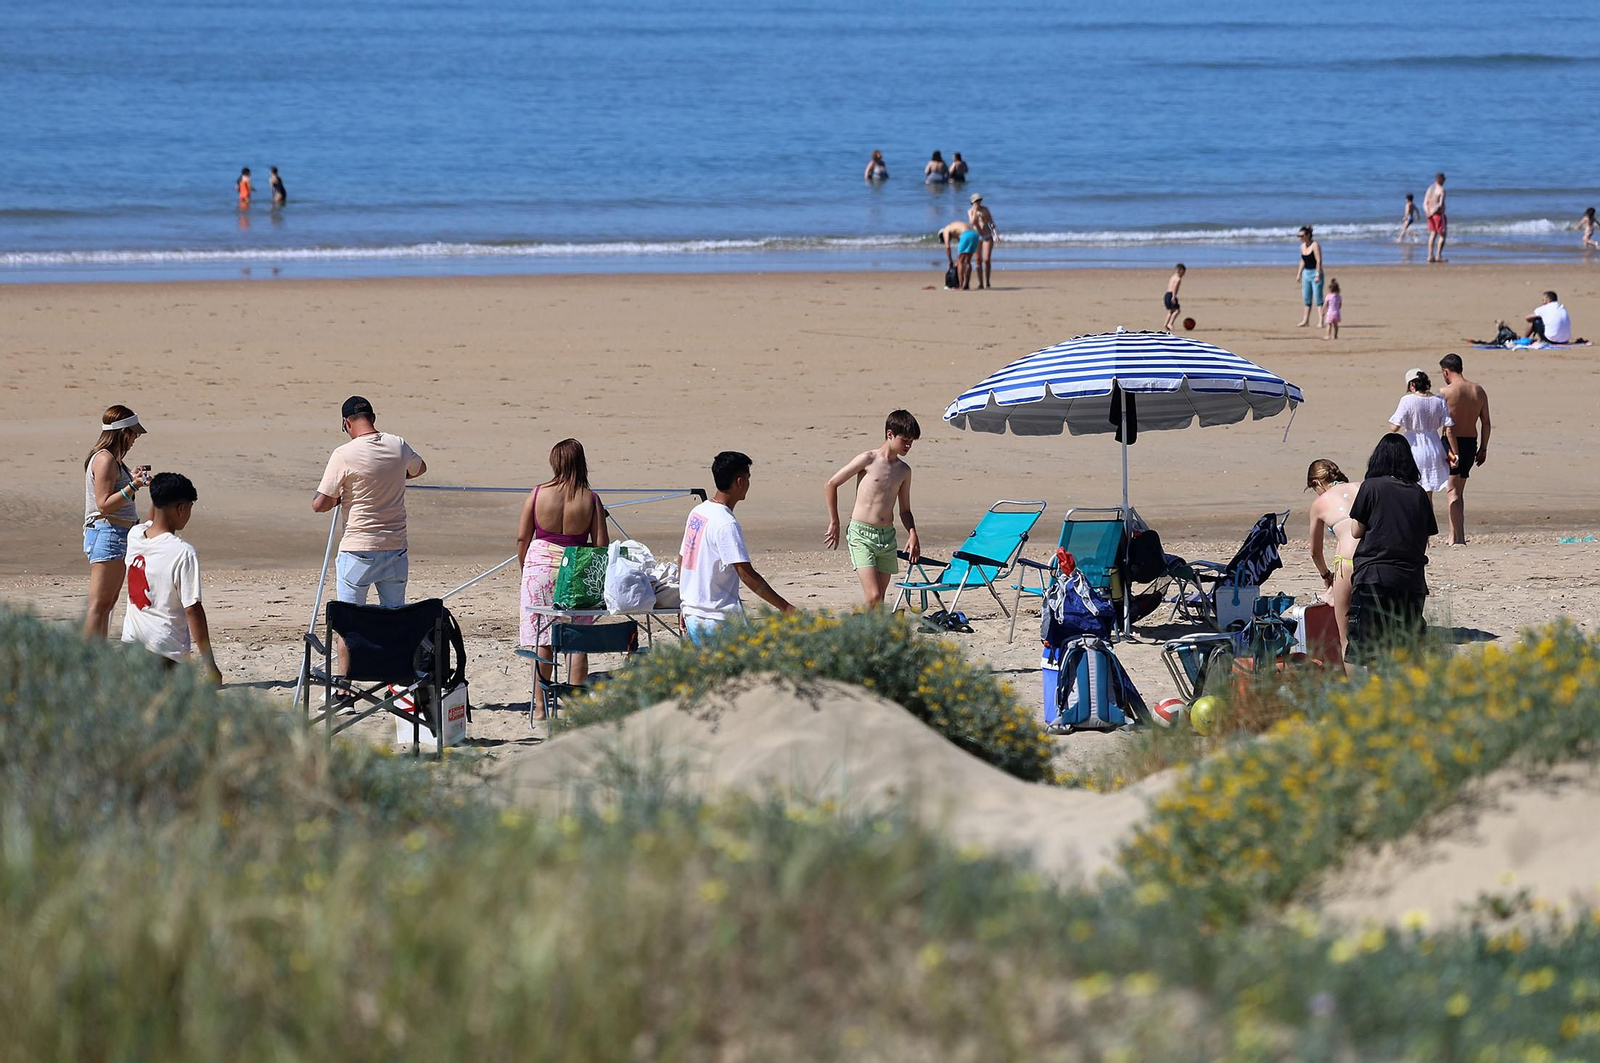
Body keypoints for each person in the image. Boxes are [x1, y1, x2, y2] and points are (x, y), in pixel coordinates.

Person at [516, 439, 607, 720]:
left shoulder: (538, 493)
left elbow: (523, 537)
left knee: (542, 637)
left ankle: (540, 707)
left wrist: (525, 569)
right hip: (575, 567)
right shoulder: (590, 499)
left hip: (540, 567)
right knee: (577, 639)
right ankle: (575, 704)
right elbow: (601, 545)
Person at [311, 396, 427, 607]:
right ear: (373, 418)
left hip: (358, 548)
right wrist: (391, 476)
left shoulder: (344, 453)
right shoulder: (398, 444)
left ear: (347, 423)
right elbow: (419, 468)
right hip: (395, 547)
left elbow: (319, 504)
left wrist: (341, 496)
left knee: (350, 621)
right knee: (394, 618)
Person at [679, 452, 793, 645]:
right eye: (748, 478)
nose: (749, 483)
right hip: (717, 620)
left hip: (693, 615)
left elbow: (683, 559)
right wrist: (785, 607)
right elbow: (746, 574)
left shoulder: (698, 512)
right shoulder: (725, 523)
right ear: (740, 482)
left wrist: (684, 603)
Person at [121, 473, 221, 686]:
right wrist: (210, 665)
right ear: (181, 508)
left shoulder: (135, 535)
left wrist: (156, 491)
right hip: (164, 653)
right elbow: (192, 609)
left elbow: (151, 521)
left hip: (131, 647)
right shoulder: (182, 552)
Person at [1346, 434, 1437, 661]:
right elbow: (1425, 538)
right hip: (1411, 579)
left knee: (1363, 649)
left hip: (1374, 575)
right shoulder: (1418, 492)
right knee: (1406, 649)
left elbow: (1356, 531)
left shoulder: (1371, 487)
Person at [823, 410, 922, 607]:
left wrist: (913, 533)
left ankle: (865, 626)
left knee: (878, 600)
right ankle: (860, 624)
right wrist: (835, 521)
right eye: (905, 440)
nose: (908, 446)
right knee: (874, 595)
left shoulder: (904, 471)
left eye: (912, 441)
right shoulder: (868, 459)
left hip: (887, 537)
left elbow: (905, 510)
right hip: (861, 534)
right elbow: (831, 484)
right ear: (890, 434)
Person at [82, 405, 152, 638]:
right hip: (108, 533)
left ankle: (98, 654)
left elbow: (112, 494)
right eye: (133, 434)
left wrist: (131, 479)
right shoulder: (105, 459)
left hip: (115, 534)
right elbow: (103, 504)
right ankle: (88, 656)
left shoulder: (113, 459)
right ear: (123, 433)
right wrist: (133, 486)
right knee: (98, 606)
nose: (135, 439)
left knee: (107, 604)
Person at [1306, 458, 1363, 657]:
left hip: (1348, 562)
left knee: (1346, 638)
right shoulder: (1361, 487)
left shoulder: (1319, 504)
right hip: (1376, 557)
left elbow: (1315, 551)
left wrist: (1326, 576)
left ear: (1316, 482)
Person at [1437, 353, 1490, 546]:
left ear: (1446, 371)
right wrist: (1483, 448)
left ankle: (1456, 538)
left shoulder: (1445, 392)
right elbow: (1486, 422)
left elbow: (1440, 423)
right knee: (1458, 490)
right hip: (1471, 442)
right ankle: (1456, 534)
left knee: (1452, 490)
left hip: (1452, 444)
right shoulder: (1478, 390)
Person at [1388, 369, 1457, 496]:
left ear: (1412, 384)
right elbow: (1449, 429)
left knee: (1410, 491)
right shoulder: (1439, 400)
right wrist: (1455, 454)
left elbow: (1394, 428)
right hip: (1434, 447)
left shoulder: (1407, 400)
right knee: (1427, 494)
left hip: (1412, 447)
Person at [968, 193, 998, 289]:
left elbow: (991, 222)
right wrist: (975, 211)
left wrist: (996, 234)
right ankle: (980, 283)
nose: (978, 202)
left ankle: (987, 281)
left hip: (987, 236)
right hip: (976, 237)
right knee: (978, 260)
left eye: (979, 200)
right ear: (972, 202)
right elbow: (972, 222)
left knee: (987, 259)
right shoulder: (970, 211)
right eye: (976, 201)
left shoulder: (985, 209)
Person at [1296, 225, 1324, 327]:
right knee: (1306, 297)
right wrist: (1299, 274)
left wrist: (1317, 275)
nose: (1300, 238)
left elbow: (1318, 261)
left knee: (1318, 298)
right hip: (1306, 273)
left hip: (1315, 273)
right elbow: (1303, 260)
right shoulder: (1302, 246)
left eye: (1302, 236)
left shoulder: (1315, 245)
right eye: (1299, 236)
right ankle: (1305, 320)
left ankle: (1321, 320)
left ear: (1308, 235)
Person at [1424, 172, 1447, 263]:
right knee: (1442, 235)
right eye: (1444, 179)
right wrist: (1433, 212)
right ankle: (1438, 255)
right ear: (1440, 179)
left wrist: (1428, 212)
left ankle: (1430, 255)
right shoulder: (1441, 190)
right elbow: (1440, 204)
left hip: (1429, 214)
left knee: (1432, 234)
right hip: (1437, 214)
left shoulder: (1430, 188)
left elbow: (1425, 203)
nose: (1445, 180)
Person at [955, 225, 980, 289]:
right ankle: (966, 284)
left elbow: (947, 247)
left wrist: (950, 260)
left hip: (966, 235)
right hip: (975, 235)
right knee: (967, 261)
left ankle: (961, 285)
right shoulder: (955, 226)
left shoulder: (946, 231)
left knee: (960, 261)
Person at [1163, 263, 1186, 331]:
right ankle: (1170, 323)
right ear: (1180, 270)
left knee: (1171, 311)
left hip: (1167, 294)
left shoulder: (1173, 277)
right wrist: (1173, 296)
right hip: (1171, 294)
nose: (1183, 274)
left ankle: (1166, 324)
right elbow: (1174, 288)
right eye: (1183, 272)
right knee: (1177, 311)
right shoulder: (1178, 279)